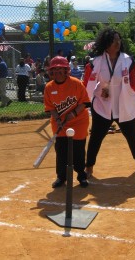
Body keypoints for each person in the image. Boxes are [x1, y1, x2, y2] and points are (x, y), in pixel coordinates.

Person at [83, 28, 135, 178]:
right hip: (102, 106)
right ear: (106, 43)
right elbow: (87, 83)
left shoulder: (128, 60)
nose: (117, 43)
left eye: (119, 40)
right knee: (96, 138)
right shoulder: (95, 62)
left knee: (132, 136)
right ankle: (89, 168)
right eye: (114, 40)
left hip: (124, 106)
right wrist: (95, 93)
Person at [44, 56, 90, 188]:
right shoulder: (49, 87)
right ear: (51, 71)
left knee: (78, 149)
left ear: (66, 70)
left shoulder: (76, 83)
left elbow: (85, 103)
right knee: (61, 149)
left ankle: (81, 175)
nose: (58, 72)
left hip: (79, 121)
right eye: (55, 69)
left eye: (60, 69)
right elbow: (50, 108)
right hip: (60, 124)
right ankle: (61, 177)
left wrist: (73, 113)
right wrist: (58, 119)